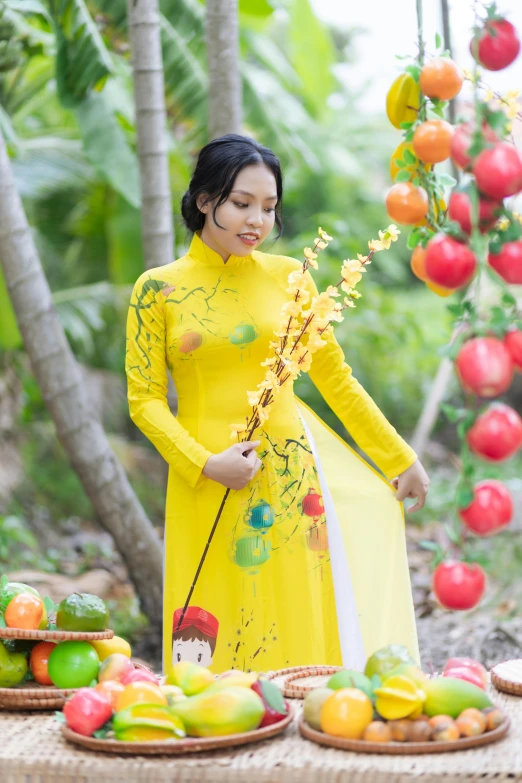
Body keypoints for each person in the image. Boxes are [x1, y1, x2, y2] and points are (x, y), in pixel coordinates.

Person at [125, 133, 430, 674]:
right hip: (204, 477)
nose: (257, 221)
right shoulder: (158, 290)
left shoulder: (292, 277)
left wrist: (398, 456)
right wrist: (205, 463)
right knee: (211, 615)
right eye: (241, 204)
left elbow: (336, 379)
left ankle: (308, 728)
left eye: (268, 208)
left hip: (289, 474)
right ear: (204, 201)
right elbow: (145, 401)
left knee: (295, 610)